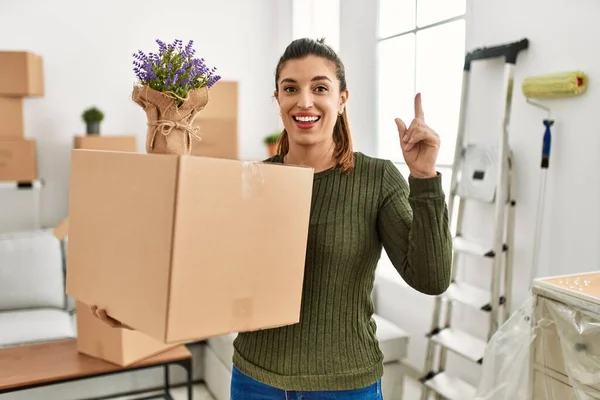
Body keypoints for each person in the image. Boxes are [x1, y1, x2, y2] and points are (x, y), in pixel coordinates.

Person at [91, 37, 452, 399]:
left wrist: (424, 178)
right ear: (278, 99)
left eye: (320, 88)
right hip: (255, 381)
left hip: (345, 386)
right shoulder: (249, 181)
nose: (304, 101)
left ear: (342, 100)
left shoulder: (376, 179)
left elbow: (431, 278)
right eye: (290, 88)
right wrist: (137, 308)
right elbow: (206, 277)